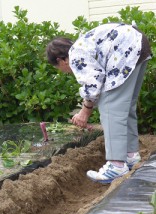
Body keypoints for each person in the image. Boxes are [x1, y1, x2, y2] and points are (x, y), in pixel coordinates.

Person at [46, 23, 152, 184]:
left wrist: (85, 112)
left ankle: (116, 165)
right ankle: (131, 156)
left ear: (61, 60)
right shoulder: (84, 45)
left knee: (110, 107)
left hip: (127, 46)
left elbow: (93, 83)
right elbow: (99, 78)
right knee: (125, 106)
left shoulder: (75, 55)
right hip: (138, 43)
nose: (63, 71)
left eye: (59, 68)